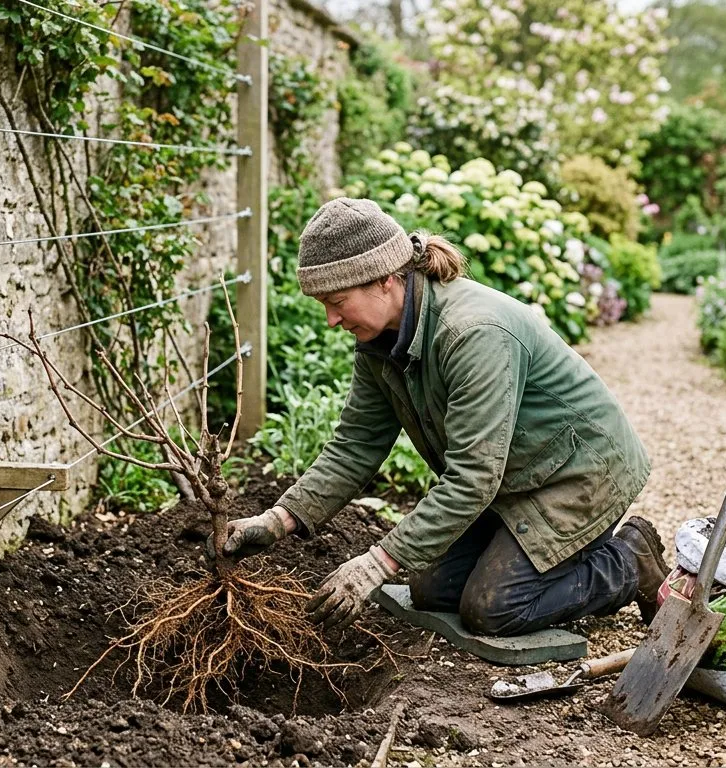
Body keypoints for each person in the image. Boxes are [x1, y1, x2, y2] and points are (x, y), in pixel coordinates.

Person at [214, 197, 669, 636]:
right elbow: (357, 443)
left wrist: (376, 564)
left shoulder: (472, 334)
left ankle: (631, 560)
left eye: (337, 300)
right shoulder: (378, 343)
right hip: (516, 477)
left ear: (385, 279)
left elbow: (472, 477)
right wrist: (279, 520)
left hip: (581, 473)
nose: (331, 319)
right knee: (430, 587)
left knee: (493, 607)